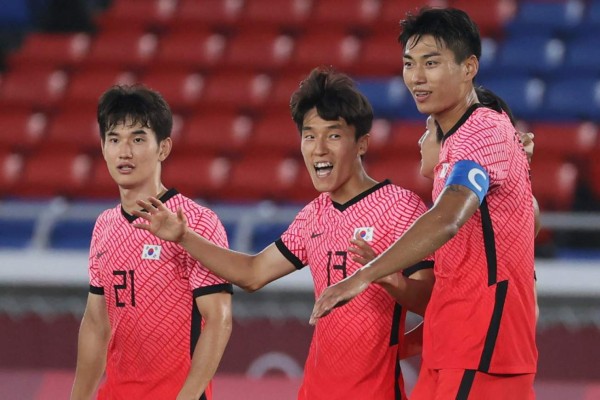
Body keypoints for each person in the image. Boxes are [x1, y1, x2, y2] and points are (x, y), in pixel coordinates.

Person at [132, 67, 435, 400]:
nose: (318, 148)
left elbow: (431, 301)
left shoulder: (400, 207)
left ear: (361, 143)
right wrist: (184, 237)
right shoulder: (312, 216)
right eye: (309, 135)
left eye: (333, 135)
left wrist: (388, 277)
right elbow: (252, 274)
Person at [311, 8, 537, 400]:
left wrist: (364, 274)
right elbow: (524, 221)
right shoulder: (457, 145)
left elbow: (448, 218)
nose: (416, 77)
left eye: (431, 63)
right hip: (451, 345)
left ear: (469, 67)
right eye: (409, 64)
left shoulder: (481, 130)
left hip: (482, 348)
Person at [70, 84, 233, 400]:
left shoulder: (195, 222)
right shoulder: (104, 226)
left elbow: (218, 320)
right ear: (103, 147)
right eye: (114, 139)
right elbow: (95, 324)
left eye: (138, 139)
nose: (124, 151)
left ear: (163, 148)